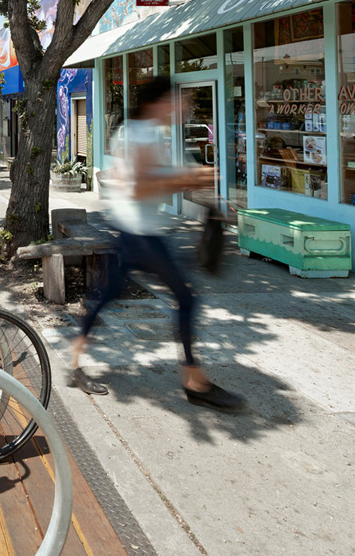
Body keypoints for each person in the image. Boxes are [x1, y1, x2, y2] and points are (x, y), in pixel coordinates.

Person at [71, 75, 244, 412]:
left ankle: (74, 359)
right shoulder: (143, 132)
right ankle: (194, 381)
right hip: (141, 233)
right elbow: (142, 187)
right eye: (178, 99)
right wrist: (192, 178)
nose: (183, 106)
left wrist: (189, 179)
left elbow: (136, 181)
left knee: (107, 294)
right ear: (158, 102)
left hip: (131, 229)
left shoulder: (132, 131)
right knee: (186, 297)